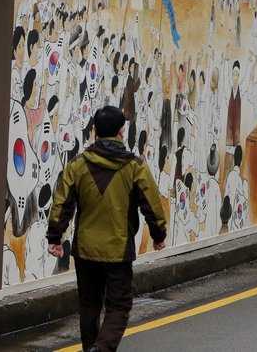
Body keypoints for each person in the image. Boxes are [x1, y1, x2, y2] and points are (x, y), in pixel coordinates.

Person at [47, 105, 167, 352]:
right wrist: (158, 235)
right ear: (121, 132)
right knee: (119, 306)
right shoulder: (135, 166)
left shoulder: (78, 165)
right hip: (117, 250)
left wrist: (55, 237)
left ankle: (91, 347)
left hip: (85, 250)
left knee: (89, 305)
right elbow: (152, 204)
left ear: (94, 131)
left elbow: (62, 202)